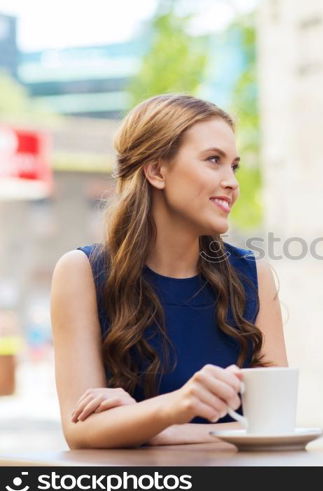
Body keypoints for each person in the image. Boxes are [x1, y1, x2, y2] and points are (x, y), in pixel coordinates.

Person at [51, 94, 286, 449]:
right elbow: (81, 431)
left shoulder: (253, 276)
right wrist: (174, 406)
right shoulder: (81, 273)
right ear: (157, 171)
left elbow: (277, 422)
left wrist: (152, 427)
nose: (232, 182)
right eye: (213, 161)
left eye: (233, 166)